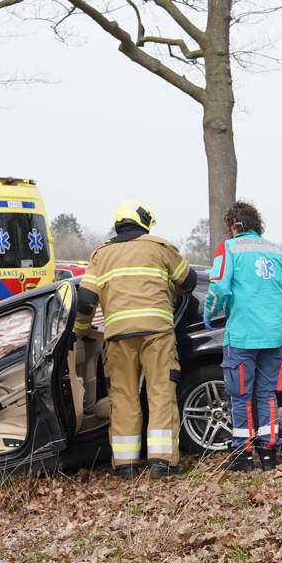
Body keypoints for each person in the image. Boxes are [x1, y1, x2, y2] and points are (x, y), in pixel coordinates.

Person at [76, 201, 196, 478]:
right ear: (143, 224)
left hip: (118, 337)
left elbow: (85, 300)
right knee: (160, 394)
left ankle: (126, 466)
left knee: (124, 398)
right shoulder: (159, 247)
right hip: (156, 334)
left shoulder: (100, 255)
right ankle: (161, 463)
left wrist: (80, 330)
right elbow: (188, 281)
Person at [205, 201, 282, 471]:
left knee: (240, 394)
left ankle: (244, 455)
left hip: (243, 335)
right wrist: (272, 298)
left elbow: (219, 289)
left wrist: (209, 312)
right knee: (266, 393)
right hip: (274, 334)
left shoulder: (229, 249)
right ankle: (269, 454)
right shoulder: (278, 251)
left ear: (234, 224)